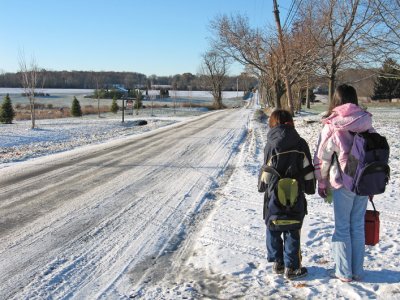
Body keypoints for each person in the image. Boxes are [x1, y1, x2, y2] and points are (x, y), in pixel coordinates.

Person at [313, 84, 373, 282]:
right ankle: (357, 271)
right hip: (363, 181)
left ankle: (343, 272)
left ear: (336, 100)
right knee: (357, 226)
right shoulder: (365, 121)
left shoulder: (332, 125)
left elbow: (323, 157)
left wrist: (322, 182)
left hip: (342, 181)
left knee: (342, 228)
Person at [261, 109, 315, 280]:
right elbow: (308, 170)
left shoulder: (270, 144)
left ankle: (278, 263)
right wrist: (310, 188)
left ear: (273, 123)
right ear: (291, 122)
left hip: (274, 196)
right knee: (293, 228)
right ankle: (291, 267)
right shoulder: (300, 143)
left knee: (274, 225)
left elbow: (266, 171)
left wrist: (262, 186)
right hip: (295, 195)